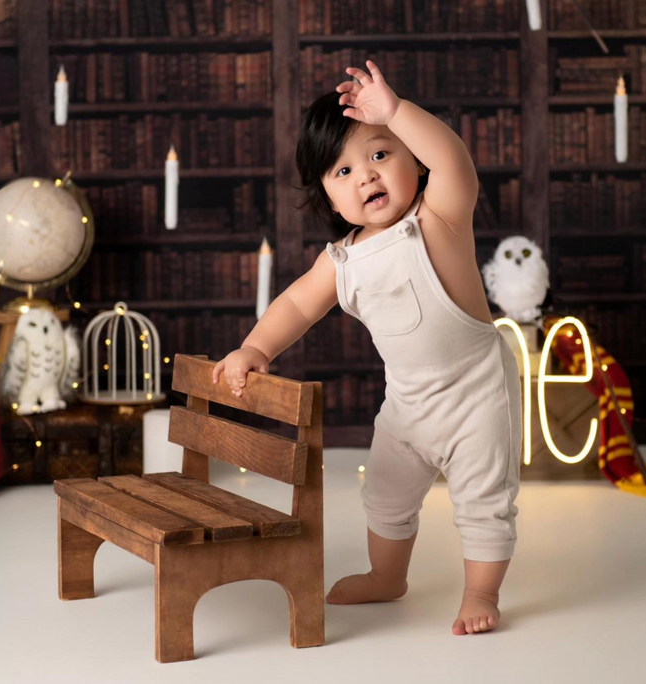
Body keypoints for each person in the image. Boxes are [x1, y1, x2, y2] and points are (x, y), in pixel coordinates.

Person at [212, 60, 521, 635]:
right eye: (343, 170)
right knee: (384, 493)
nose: (367, 177)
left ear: (412, 160)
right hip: (407, 406)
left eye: (381, 154)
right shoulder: (342, 261)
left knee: (485, 501)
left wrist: (397, 112)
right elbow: (298, 305)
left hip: (479, 394)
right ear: (328, 197)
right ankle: (388, 577)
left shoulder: (440, 219)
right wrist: (255, 347)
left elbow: (454, 159)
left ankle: (482, 591)